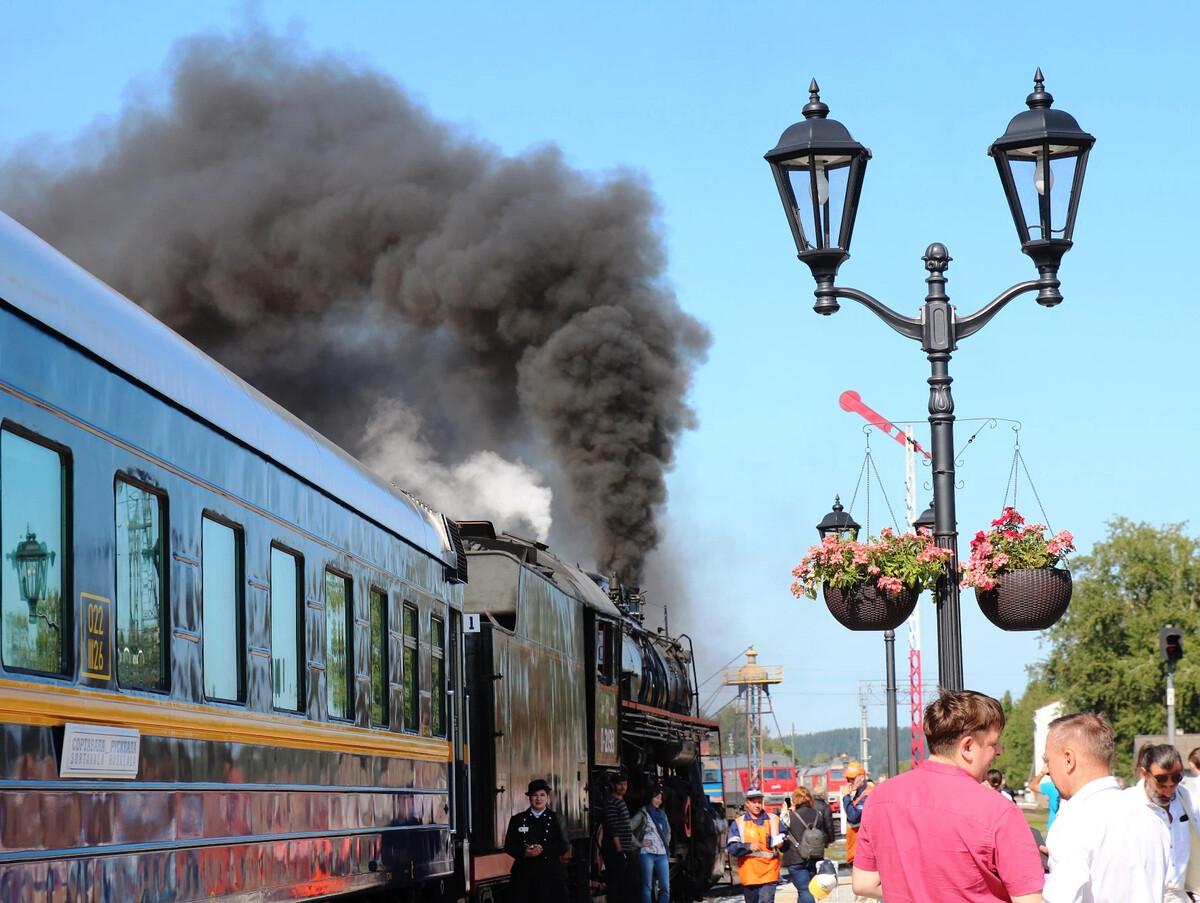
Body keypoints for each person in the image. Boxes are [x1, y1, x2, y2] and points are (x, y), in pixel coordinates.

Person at [852, 690, 1045, 903]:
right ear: (968, 746)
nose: (999, 751)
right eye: (993, 743)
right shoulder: (999, 811)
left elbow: (864, 883)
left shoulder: (880, 797)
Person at [1041, 713, 1169, 903]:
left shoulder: (1073, 823)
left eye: (1048, 760)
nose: (1048, 770)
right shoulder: (1153, 818)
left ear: (1069, 760)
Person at [1124, 742, 1194, 902]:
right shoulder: (1128, 805)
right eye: (1160, 784)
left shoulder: (1186, 799)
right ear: (1144, 774)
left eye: (1175, 782)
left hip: (1181, 896)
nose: (1168, 791)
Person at [503, 778, 569, 903]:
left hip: (550, 873)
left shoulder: (557, 819)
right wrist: (524, 852)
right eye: (535, 795)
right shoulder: (518, 819)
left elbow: (564, 844)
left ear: (548, 797)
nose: (538, 799)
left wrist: (543, 850)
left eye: (542, 795)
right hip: (525, 873)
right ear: (529, 797)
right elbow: (509, 845)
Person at [727, 787, 786, 902]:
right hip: (750, 875)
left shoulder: (774, 820)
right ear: (747, 804)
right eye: (754, 802)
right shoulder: (739, 823)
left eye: (759, 802)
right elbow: (732, 848)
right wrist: (747, 847)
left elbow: (787, 843)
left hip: (769, 873)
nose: (757, 805)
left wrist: (782, 844)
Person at [780, 787, 827, 903]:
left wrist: (785, 811)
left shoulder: (790, 817)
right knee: (807, 889)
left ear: (794, 800)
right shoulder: (818, 815)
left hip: (795, 859)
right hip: (814, 857)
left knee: (804, 890)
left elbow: (781, 829)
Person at [601, 769, 638, 903]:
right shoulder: (611, 803)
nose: (623, 787)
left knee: (627, 884)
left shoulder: (621, 802)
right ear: (613, 785)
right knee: (618, 884)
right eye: (619, 784)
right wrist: (620, 851)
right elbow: (613, 829)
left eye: (624, 784)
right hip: (616, 850)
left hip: (624, 847)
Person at [630, 784, 670, 903]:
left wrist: (665, 843)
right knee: (647, 886)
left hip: (662, 853)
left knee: (665, 887)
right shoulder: (643, 814)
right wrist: (638, 843)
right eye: (657, 798)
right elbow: (628, 827)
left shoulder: (662, 815)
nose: (659, 801)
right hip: (647, 853)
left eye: (661, 798)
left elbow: (667, 831)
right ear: (650, 798)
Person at [841, 760, 872, 868]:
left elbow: (854, 816)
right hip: (856, 851)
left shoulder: (867, 795)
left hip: (861, 853)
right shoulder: (859, 795)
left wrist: (845, 797)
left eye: (852, 779)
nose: (849, 782)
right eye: (847, 779)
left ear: (862, 778)